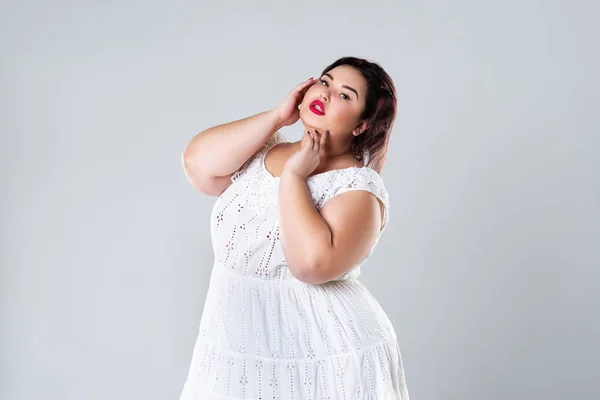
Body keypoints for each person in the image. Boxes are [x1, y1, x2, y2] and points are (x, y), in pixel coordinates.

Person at [180, 56, 410, 399]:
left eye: (346, 96)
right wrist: (276, 118)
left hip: (322, 356)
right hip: (236, 346)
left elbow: (310, 265)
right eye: (325, 82)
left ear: (361, 126)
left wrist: (294, 176)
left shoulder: (357, 189)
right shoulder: (264, 150)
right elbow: (198, 166)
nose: (328, 94)